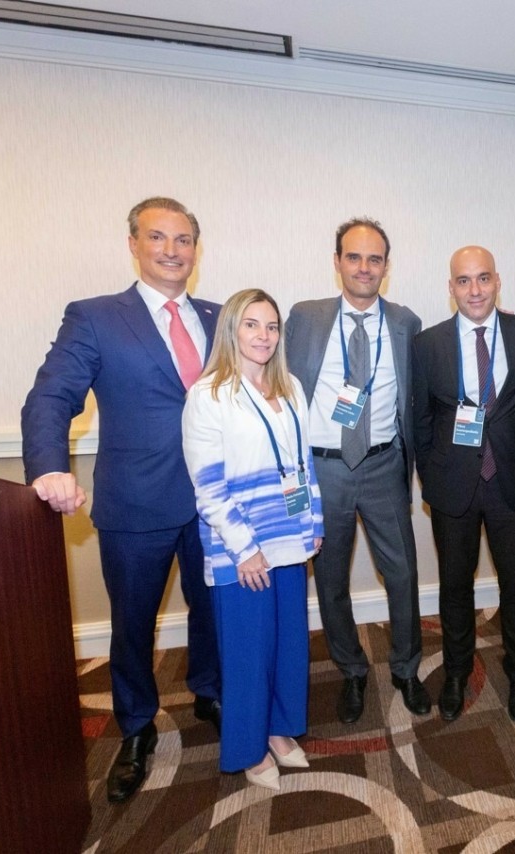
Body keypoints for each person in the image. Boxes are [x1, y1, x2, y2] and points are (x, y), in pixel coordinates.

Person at [21, 197, 222, 804]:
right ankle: (136, 725)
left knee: (214, 609)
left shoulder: (221, 318)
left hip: (216, 501)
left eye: (183, 239)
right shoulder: (95, 317)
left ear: (196, 249)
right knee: (133, 624)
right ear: (133, 244)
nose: (172, 250)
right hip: (135, 503)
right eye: (158, 237)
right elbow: (51, 397)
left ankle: (211, 692)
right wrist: (50, 466)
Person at [283, 217, 426, 723]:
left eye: (374, 259)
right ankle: (351, 669)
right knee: (330, 578)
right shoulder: (305, 317)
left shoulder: (406, 322)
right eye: (354, 257)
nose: (364, 267)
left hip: (384, 464)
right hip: (324, 470)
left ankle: (407, 668)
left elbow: (423, 385)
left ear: (386, 266)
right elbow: (278, 383)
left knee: (402, 572)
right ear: (337, 261)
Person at [181, 289, 322, 789]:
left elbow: (303, 464)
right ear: (231, 330)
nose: (264, 336)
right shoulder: (208, 395)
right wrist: (245, 549)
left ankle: (280, 729)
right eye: (251, 325)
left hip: (290, 539)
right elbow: (208, 486)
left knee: (287, 643)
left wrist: (314, 523)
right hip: (242, 549)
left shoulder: (290, 386)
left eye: (271, 326)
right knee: (248, 652)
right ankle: (248, 747)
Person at [412, 246, 515, 723]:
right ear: (451, 287)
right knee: (454, 587)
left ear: (497, 281)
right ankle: (456, 672)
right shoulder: (428, 344)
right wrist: (432, 477)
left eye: (483, 278)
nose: (474, 290)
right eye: (464, 281)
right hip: (454, 488)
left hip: (512, 482)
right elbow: (421, 420)